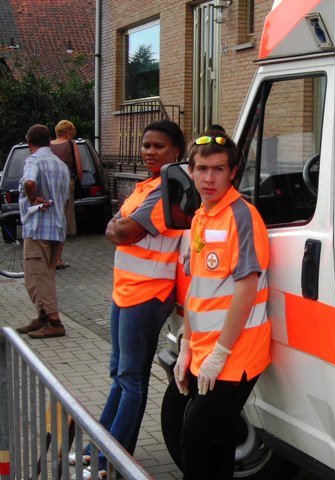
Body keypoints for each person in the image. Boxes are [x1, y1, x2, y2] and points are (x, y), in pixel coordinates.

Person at [75, 120, 186, 477]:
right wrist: (118, 227)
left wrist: (119, 226)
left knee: (131, 377)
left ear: (176, 152)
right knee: (119, 372)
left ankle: (113, 458)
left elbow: (123, 230)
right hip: (125, 291)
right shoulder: (145, 186)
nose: (149, 151)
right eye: (146, 145)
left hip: (149, 294)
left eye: (158, 146)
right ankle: (100, 446)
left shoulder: (167, 190)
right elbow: (115, 227)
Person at [173, 131, 271, 479]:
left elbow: (246, 290)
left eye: (218, 169)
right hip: (206, 349)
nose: (209, 178)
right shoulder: (201, 216)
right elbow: (197, 288)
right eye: (202, 169)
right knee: (217, 443)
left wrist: (221, 353)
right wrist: (186, 344)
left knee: (195, 440)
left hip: (235, 354)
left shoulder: (242, 215)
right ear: (190, 171)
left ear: (232, 172)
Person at [15, 124, 70, 339]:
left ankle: (54, 323)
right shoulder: (61, 165)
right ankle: (43, 317)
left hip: (38, 228)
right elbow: (66, 199)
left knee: (37, 278)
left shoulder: (34, 160)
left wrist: (32, 198)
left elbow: (30, 182)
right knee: (46, 274)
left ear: (29, 143)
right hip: (57, 228)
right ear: (49, 142)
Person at [50, 120, 83, 269]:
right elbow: (79, 168)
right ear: (68, 132)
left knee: (52, 219)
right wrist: (78, 181)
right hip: (66, 184)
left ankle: (50, 256)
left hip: (50, 185)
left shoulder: (48, 146)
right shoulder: (71, 145)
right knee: (63, 221)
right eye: (72, 133)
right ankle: (58, 259)